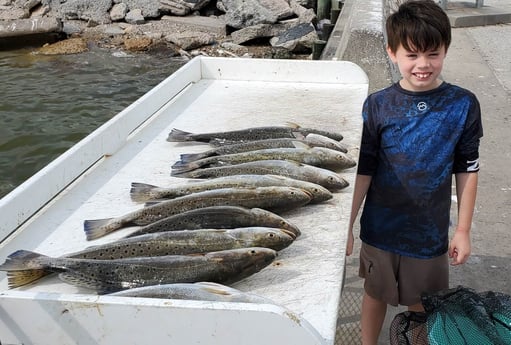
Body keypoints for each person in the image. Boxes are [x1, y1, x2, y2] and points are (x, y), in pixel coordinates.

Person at [346, 0, 484, 344]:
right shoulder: (377, 105)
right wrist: (345, 226)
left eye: (433, 54)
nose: (423, 65)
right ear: (392, 53)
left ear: (445, 50)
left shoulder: (463, 104)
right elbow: (364, 169)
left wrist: (463, 230)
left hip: (429, 234)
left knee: (424, 305)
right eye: (412, 55)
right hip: (380, 229)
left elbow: (467, 168)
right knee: (374, 293)